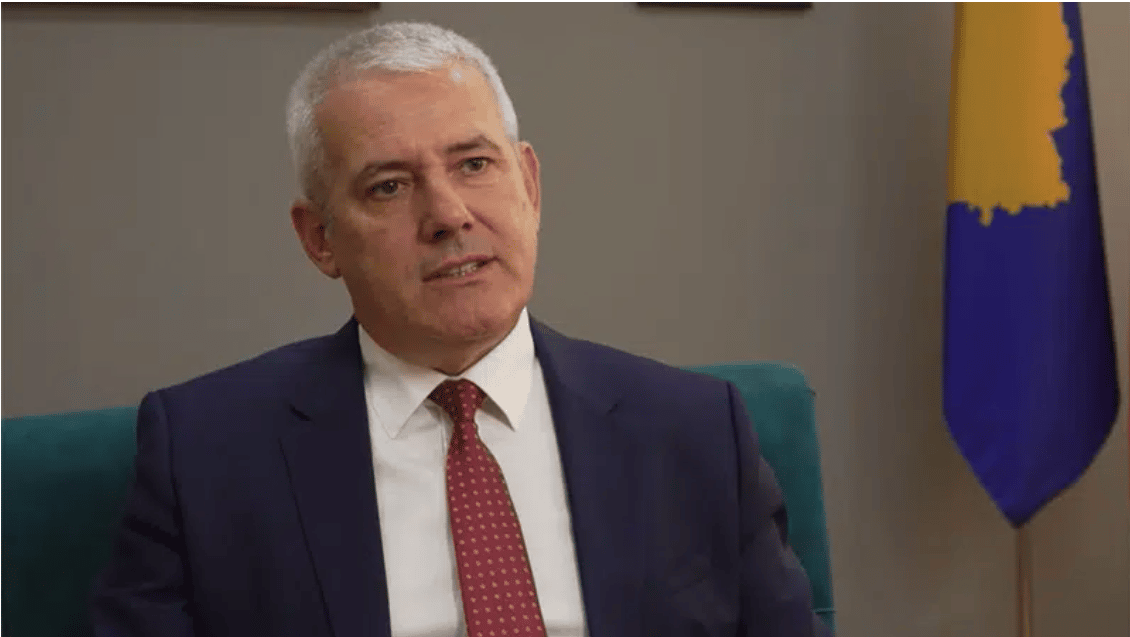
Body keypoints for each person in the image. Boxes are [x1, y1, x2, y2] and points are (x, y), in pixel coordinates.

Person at [91, 21, 830, 637]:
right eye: (389, 185)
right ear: (319, 238)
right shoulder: (207, 453)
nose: (448, 214)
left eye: (474, 164)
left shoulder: (697, 433)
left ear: (529, 185)